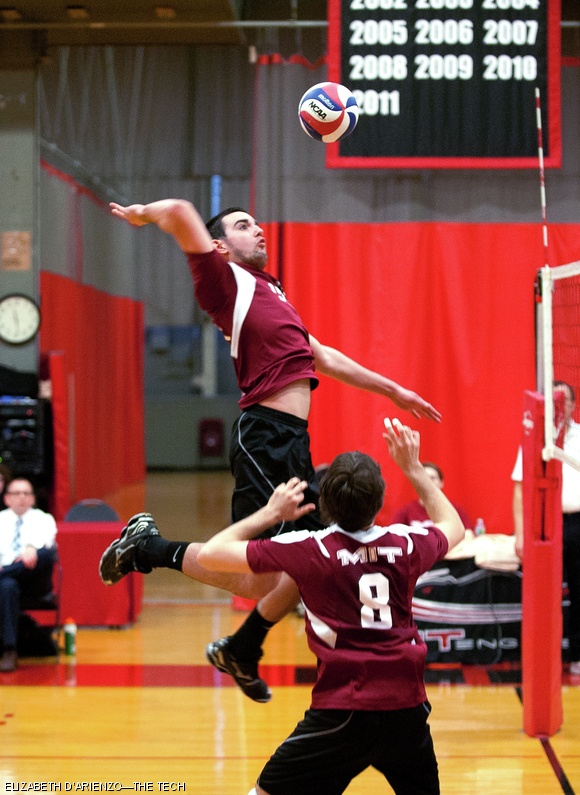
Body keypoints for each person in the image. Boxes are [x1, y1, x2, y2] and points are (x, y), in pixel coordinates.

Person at [99, 198, 441, 702]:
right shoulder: (223, 282)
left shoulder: (271, 290)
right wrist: (143, 214)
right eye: (244, 226)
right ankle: (149, 550)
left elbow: (321, 355)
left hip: (291, 439)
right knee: (260, 575)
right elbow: (178, 210)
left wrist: (393, 390)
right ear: (219, 246)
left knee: (308, 564)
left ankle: (240, 647)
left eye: (258, 224)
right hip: (264, 435)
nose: (258, 231)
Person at [197, 417, 465, 795]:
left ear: (323, 503)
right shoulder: (406, 544)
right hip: (406, 706)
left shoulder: (311, 549)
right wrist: (413, 468)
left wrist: (271, 513)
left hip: (344, 709)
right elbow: (453, 525)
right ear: (380, 500)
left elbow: (210, 553)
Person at [511, 380, 580, 676]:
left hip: (577, 522)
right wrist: (520, 533)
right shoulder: (534, 437)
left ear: (573, 405)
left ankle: (577, 656)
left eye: (564, 401)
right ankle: (541, 659)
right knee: (543, 594)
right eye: (554, 401)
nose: (559, 406)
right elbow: (518, 488)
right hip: (545, 523)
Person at [0, 477, 58, 672]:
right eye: (17, 493)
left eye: (27, 493)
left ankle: (5, 572)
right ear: (7, 499)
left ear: (33, 499)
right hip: (7, 584)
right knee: (7, 585)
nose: (22, 498)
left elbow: (47, 547)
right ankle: (10, 650)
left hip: (34, 580)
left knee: (46, 554)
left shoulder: (44, 519)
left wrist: (31, 548)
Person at [390, 461, 472, 530]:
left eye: (432, 478)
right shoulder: (406, 511)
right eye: (424, 478)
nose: (428, 482)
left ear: (441, 483)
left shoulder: (453, 509)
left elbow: (468, 533)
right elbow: (392, 537)